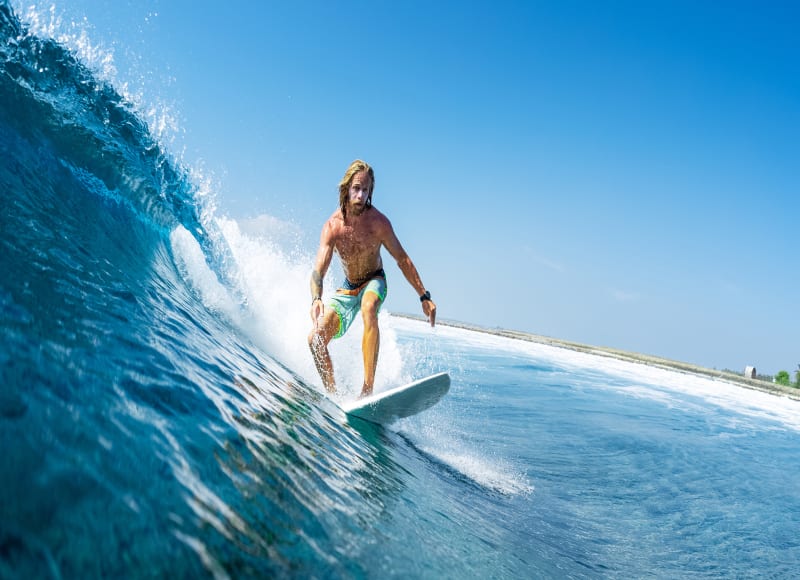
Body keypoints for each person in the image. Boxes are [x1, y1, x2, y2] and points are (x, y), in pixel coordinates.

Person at [308, 159, 436, 397]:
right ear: (346, 188)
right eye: (356, 188)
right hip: (348, 289)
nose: (361, 194)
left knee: (368, 308)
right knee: (315, 339)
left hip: (375, 280)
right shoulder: (332, 226)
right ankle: (334, 396)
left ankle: (367, 390)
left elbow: (402, 259)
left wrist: (424, 296)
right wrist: (316, 299)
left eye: (366, 190)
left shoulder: (379, 223)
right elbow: (319, 270)